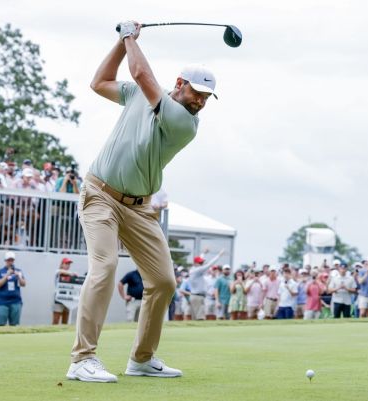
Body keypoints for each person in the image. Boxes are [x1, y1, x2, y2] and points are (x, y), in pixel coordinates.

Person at [67, 21, 218, 382]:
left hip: (139, 209)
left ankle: (141, 359)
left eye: (206, 97)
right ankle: (82, 359)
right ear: (180, 84)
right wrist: (121, 42)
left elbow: (140, 71)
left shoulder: (184, 121)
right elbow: (99, 82)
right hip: (99, 195)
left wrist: (129, 37)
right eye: (196, 92)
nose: (200, 101)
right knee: (103, 268)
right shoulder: (141, 94)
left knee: (164, 281)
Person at [188, 250, 224, 320]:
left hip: (195, 296)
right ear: (195, 263)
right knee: (200, 318)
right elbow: (209, 264)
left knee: (195, 318)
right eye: (200, 262)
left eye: (202, 262)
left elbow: (198, 260)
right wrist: (218, 255)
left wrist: (203, 253)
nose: (202, 263)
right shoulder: (197, 270)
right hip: (198, 297)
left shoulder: (194, 269)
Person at [0, 251, 26, 326]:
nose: (10, 262)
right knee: (1, 324)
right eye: (8, 260)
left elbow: (23, 284)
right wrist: (6, 275)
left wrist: (18, 276)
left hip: (16, 301)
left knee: (15, 325)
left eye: (12, 260)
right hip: (3, 302)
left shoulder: (18, 271)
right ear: (5, 261)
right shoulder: (0, 271)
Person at [53, 257, 78, 325]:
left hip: (68, 299)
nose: (68, 265)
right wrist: (71, 273)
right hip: (58, 298)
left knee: (65, 321)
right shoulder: (58, 272)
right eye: (66, 263)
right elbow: (60, 271)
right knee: (56, 320)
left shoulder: (70, 274)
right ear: (62, 264)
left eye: (69, 264)